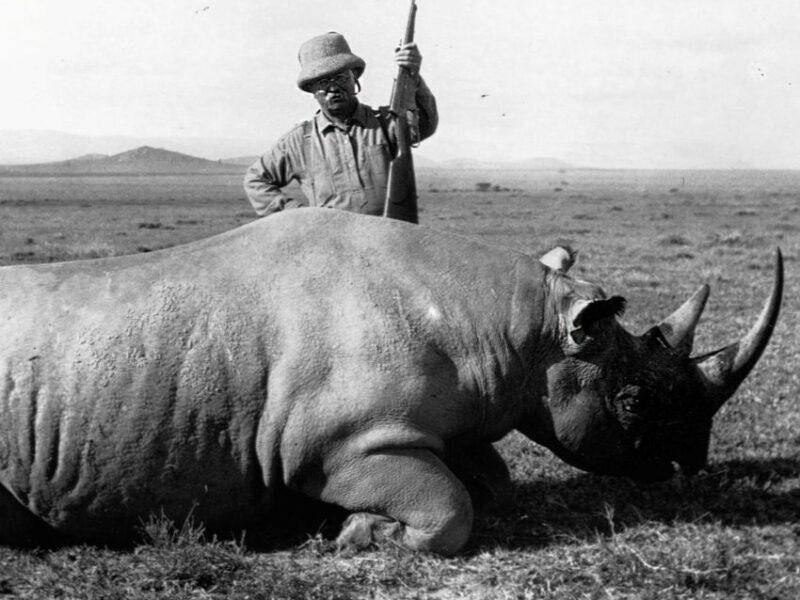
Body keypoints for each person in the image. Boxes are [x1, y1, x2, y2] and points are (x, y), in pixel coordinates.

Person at [244, 32, 437, 217]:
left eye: (341, 78)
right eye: (323, 82)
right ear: (311, 89)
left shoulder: (385, 123)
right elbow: (255, 181)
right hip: (331, 246)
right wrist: (298, 216)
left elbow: (425, 125)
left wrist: (413, 76)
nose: (334, 88)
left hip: (387, 240)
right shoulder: (298, 141)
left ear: (354, 79)